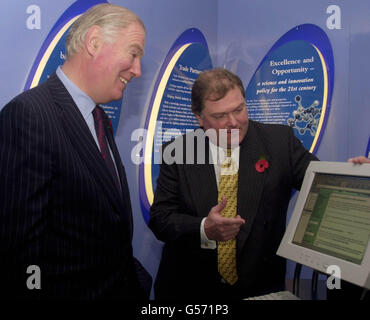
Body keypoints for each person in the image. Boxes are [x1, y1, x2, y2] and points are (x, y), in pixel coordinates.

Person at [148, 68, 370, 300]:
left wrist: (357, 176)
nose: (233, 122)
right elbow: (161, 219)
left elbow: (322, 185)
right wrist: (204, 228)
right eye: (220, 116)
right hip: (190, 289)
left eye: (239, 109)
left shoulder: (280, 143)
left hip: (260, 288)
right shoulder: (180, 151)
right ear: (199, 117)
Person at [0, 3, 151, 300]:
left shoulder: (100, 120)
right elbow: (18, 251)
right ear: (94, 42)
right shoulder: (30, 115)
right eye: (133, 54)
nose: (137, 70)